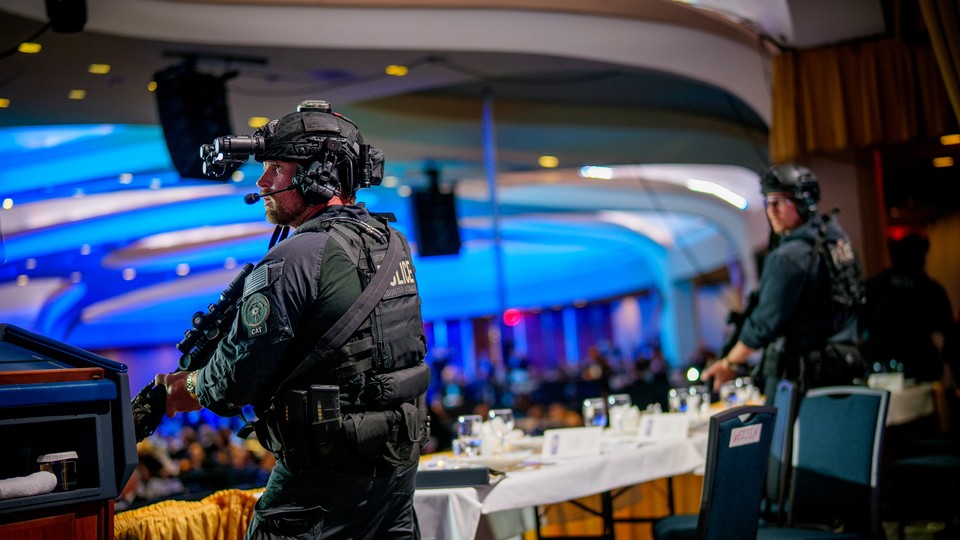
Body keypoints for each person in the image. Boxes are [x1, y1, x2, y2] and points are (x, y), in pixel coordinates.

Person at [155, 99, 430, 539]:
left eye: (276, 168)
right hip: (395, 472)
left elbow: (233, 382)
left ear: (317, 175)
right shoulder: (393, 242)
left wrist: (184, 387)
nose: (262, 182)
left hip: (321, 483)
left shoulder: (294, 259)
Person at [702, 164, 866, 398]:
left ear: (803, 202)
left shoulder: (788, 257)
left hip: (801, 379)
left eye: (779, 201)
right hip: (844, 367)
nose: (771, 211)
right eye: (768, 202)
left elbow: (763, 324)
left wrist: (730, 363)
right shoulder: (838, 242)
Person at [860, 233, 956, 383]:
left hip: (895, 372)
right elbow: (946, 336)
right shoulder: (931, 290)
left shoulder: (877, 286)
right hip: (908, 371)